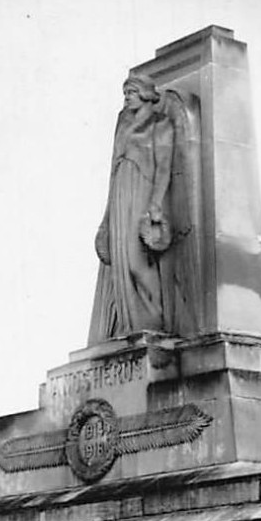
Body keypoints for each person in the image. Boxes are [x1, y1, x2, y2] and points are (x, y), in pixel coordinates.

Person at [89, 73, 176, 341]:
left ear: (146, 95)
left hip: (142, 193)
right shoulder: (123, 126)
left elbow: (163, 170)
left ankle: (153, 317)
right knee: (120, 263)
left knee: (136, 260)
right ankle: (130, 325)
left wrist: (155, 206)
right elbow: (113, 173)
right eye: (125, 93)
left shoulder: (160, 126)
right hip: (120, 196)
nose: (127, 97)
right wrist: (106, 218)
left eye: (132, 92)